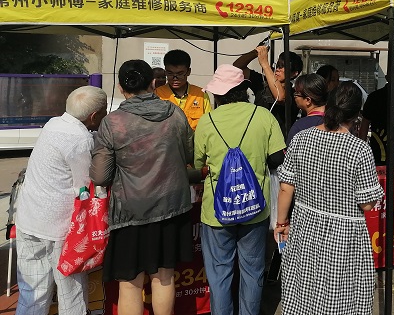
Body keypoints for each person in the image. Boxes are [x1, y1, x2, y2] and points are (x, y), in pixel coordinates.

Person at [91, 60, 194, 315]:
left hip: (130, 212)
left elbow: (100, 176)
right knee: (164, 276)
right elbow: (189, 154)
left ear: (120, 87)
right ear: (153, 84)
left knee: (130, 282)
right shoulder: (175, 113)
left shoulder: (113, 122)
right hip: (171, 206)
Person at [275, 81, 384, 315]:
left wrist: (282, 222)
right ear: (356, 114)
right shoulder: (359, 149)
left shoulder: (301, 138)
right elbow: (367, 204)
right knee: (338, 295)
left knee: (304, 287)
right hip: (343, 235)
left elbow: (286, 187)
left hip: (305, 226)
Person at [195, 64, 286, 315]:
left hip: (217, 211)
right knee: (253, 271)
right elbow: (277, 158)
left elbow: (198, 164)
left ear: (218, 94)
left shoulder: (207, 121)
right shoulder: (264, 116)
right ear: (244, 89)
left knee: (219, 274)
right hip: (255, 207)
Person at [15, 85, 108, 315]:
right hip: (60, 228)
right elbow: (84, 187)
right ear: (94, 116)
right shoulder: (80, 140)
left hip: (29, 219)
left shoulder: (53, 124)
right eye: (105, 111)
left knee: (32, 292)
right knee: (71, 294)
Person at [233, 45, 303, 135]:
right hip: (257, 134)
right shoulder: (262, 81)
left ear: (294, 73)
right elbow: (237, 67)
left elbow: (280, 97)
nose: (278, 69)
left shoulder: (294, 93)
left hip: (277, 139)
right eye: (278, 65)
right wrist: (255, 53)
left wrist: (265, 65)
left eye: (282, 67)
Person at [155, 49, 211, 130]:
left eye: (180, 74)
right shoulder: (157, 94)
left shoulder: (201, 95)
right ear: (165, 72)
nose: (175, 78)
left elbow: (208, 124)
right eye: (170, 73)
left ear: (188, 72)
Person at [286, 73, 328, 144]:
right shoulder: (338, 122)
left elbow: (289, 150)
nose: (294, 96)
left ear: (308, 100)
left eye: (296, 93)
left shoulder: (300, 126)